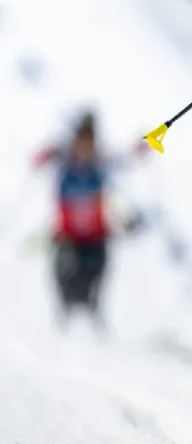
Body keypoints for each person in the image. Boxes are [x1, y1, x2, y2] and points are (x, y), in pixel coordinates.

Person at [31, 110, 147, 329]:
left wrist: (142, 146)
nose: (85, 148)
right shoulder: (63, 162)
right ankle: (64, 314)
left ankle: (93, 310)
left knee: (97, 272)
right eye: (81, 141)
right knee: (63, 273)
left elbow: (126, 158)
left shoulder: (101, 163)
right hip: (68, 237)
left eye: (89, 142)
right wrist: (45, 155)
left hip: (95, 237)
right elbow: (37, 159)